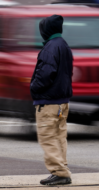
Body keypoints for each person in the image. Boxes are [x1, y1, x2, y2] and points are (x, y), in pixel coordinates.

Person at [30, 14, 73, 186]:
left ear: (45, 30)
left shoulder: (50, 48)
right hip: (62, 101)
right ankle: (62, 169)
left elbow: (45, 74)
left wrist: (33, 87)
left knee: (48, 137)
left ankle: (60, 172)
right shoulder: (63, 45)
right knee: (59, 137)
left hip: (48, 102)